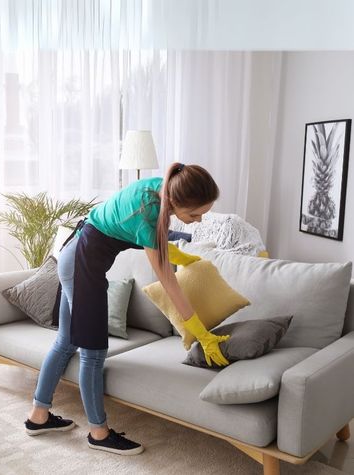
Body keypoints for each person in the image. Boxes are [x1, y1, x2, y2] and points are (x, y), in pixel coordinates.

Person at [24, 162, 230, 455]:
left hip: (75, 255)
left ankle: (38, 416)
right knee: (93, 353)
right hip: (83, 265)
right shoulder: (147, 212)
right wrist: (202, 334)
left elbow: (156, 244)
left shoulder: (163, 188)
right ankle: (98, 433)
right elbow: (170, 285)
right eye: (194, 214)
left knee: (66, 341)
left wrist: (186, 260)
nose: (197, 221)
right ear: (174, 200)